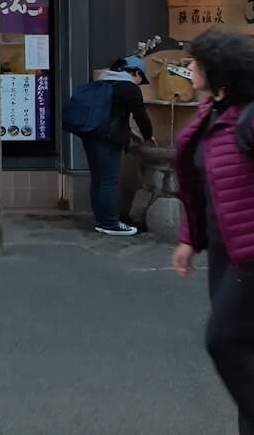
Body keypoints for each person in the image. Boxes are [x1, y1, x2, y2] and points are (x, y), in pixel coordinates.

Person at [171, 30, 254, 435]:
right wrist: (190, 238)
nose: (188, 68)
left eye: (194, 62)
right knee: (247, 352)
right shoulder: (211, 114)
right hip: (226, 253)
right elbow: (202, 185)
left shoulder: (248, 118)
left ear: (216, 70)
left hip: (250, 258)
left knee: (223, 340)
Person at [80, 56, 155, 236]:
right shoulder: (129, 88)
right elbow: (141, 116)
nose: (139, 83)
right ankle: (110, 223)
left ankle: (100, 220)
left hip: (90, 136)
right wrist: (148, 136)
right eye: (140, 79)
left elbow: (111, 113)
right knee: (109, 180)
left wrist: (129, 132)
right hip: (109, 139)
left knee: (98, 178)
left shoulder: (101, 83)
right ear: (136, 73)